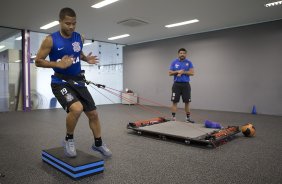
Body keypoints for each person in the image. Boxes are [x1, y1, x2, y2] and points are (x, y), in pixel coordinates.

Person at [35, 7, 112, 158]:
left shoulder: (79, 37)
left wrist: (86, 58)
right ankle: (68, 139)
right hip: (60, 82)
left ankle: (98, 144)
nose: (71, 27)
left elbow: (78, 53)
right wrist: (58, 64)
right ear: (60, 22)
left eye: (74, 23)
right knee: (76, 109)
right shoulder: (50, 40)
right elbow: (38, 61)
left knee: (93, 114)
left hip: (78, 82)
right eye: (67, 23)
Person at [169, 48, 195, 123]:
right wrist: (177, 71)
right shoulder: (174, 62)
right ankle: (173, 118)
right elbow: (169, 73)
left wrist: (183, 72)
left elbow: (192, 73)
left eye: (184, 53)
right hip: (176, 85)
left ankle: (188, 119)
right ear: (178, 54)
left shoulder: (189, 62)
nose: (182, 54)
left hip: (186, 85)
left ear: (186, 54)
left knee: (187, 102)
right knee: (174, 102)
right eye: (181, 53)